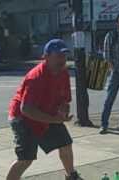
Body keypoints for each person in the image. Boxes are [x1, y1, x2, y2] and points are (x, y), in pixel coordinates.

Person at [6, 39, 84, 180]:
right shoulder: (35, 77)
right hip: (23, 118)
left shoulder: (63, 73)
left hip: (47, 114)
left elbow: (64, 99)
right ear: (46, 57)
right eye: (58, 56)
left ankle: (72, 176)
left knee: (65, 144)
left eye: (64, 56)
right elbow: (26, 109)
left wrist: (63, 110)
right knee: (26, 159)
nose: (62, 60)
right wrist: (55, 119)